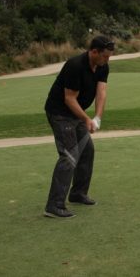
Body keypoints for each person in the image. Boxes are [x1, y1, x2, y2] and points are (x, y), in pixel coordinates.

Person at [43, 35, 114, 218]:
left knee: (87, 150)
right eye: (104, 56)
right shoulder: (75, 65)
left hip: (75, 114)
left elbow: (102, 92)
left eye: (109, 57)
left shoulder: (102, 66)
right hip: (60, 113)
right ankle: (54, 205)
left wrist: (97, 117)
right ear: (94, 51)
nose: (107, 60)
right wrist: (86, 119)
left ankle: (77, 193)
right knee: (69, 155)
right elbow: (69, 99)